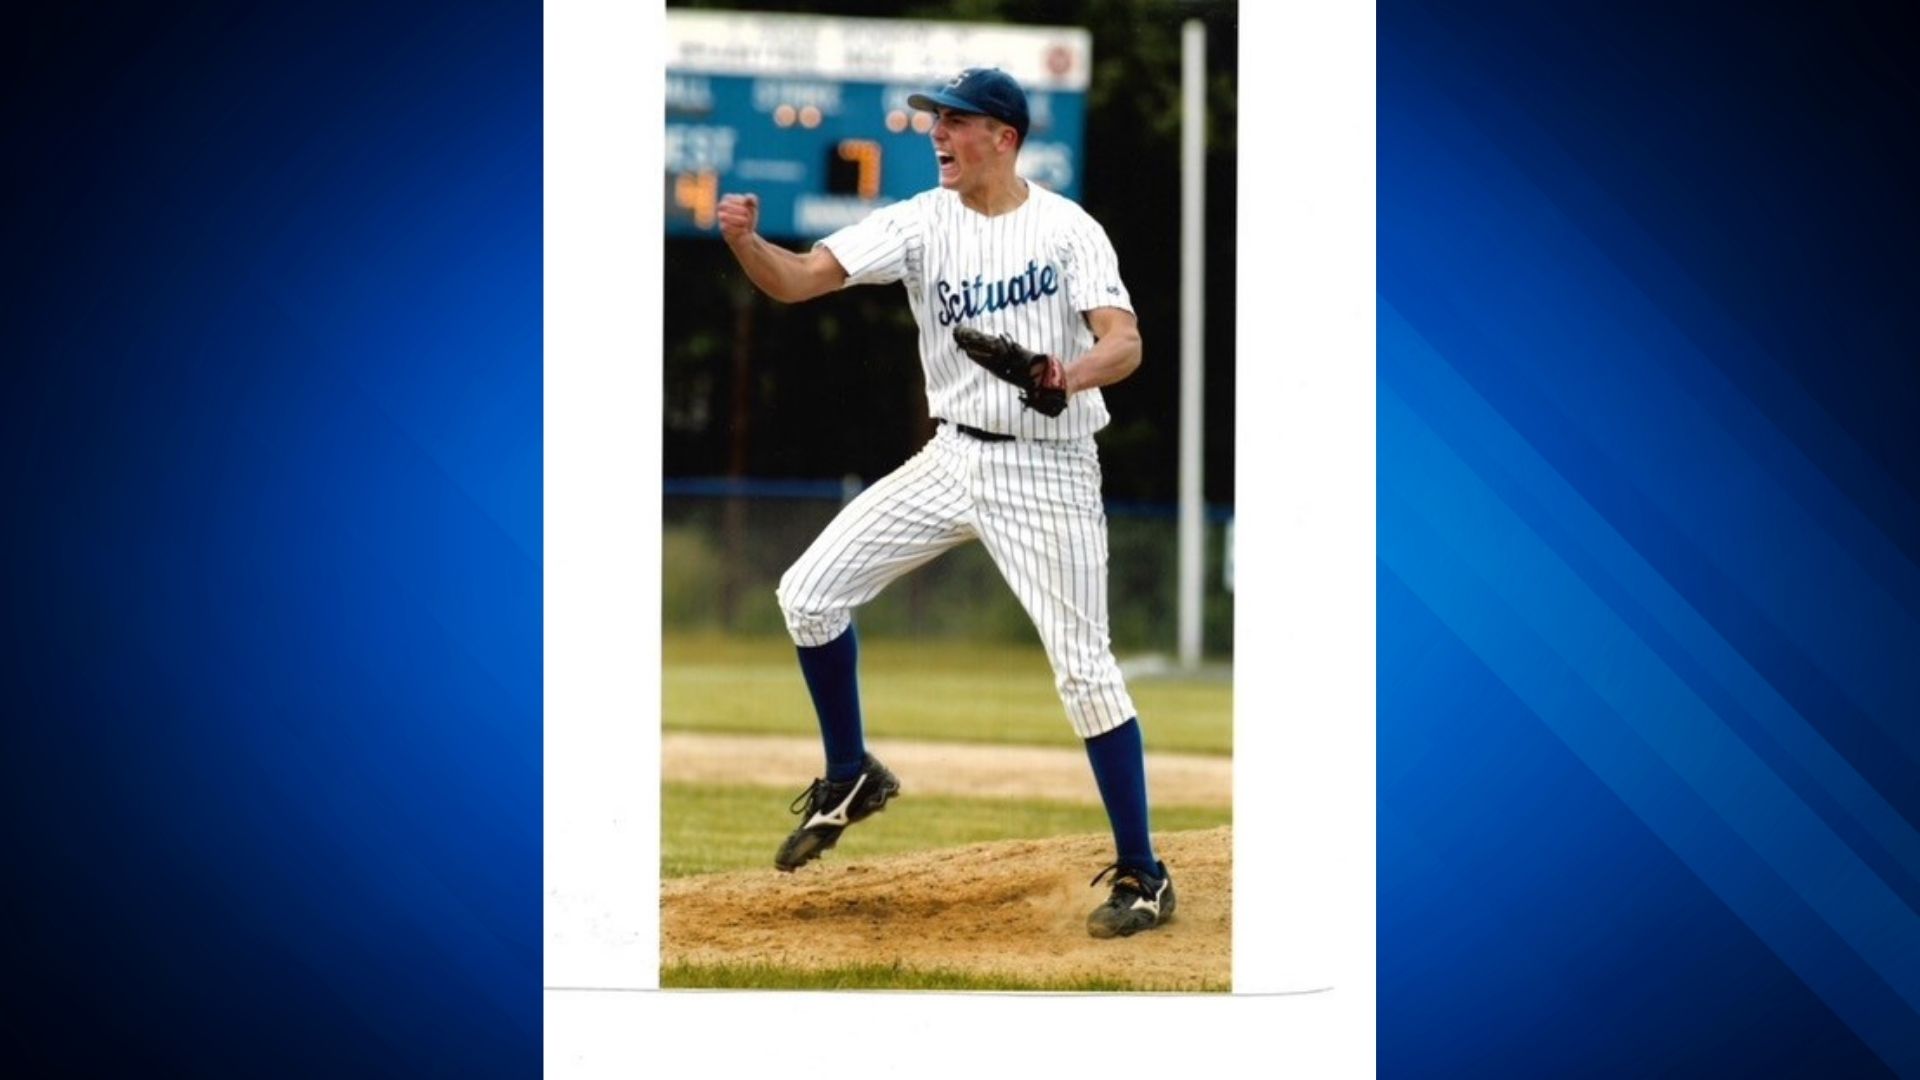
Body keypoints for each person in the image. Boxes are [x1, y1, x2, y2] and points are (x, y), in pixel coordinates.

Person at [714, 67, 1173, 939]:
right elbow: (803, 277)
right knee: (807, 596)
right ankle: (851, 774)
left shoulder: (1066, 230)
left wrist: (1063, 375)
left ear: (1003, 136)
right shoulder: (921, 221)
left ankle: (1144, 877)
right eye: (934, 118)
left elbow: (1125, 342)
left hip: (1050, 468)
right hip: (954, 453)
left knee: (1085, 671)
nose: (936, 133)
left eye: (955, 121)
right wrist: (746, 242)